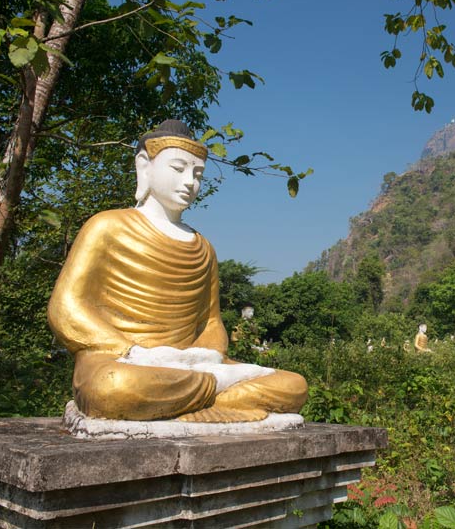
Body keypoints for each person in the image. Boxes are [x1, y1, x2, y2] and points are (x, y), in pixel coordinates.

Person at [48, 120, 307, 423]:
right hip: (123, 360)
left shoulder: (203, 247)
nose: (190, 182)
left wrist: (204, 357)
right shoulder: (107, 226)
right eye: (178, 169)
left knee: (293, 386)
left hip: (189, 367)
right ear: (145, 166)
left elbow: (211, 321)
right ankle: (223, 401)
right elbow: (65, 308)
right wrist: (134, 351)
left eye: (197, 174)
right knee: (114, 387)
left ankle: (193, 403)